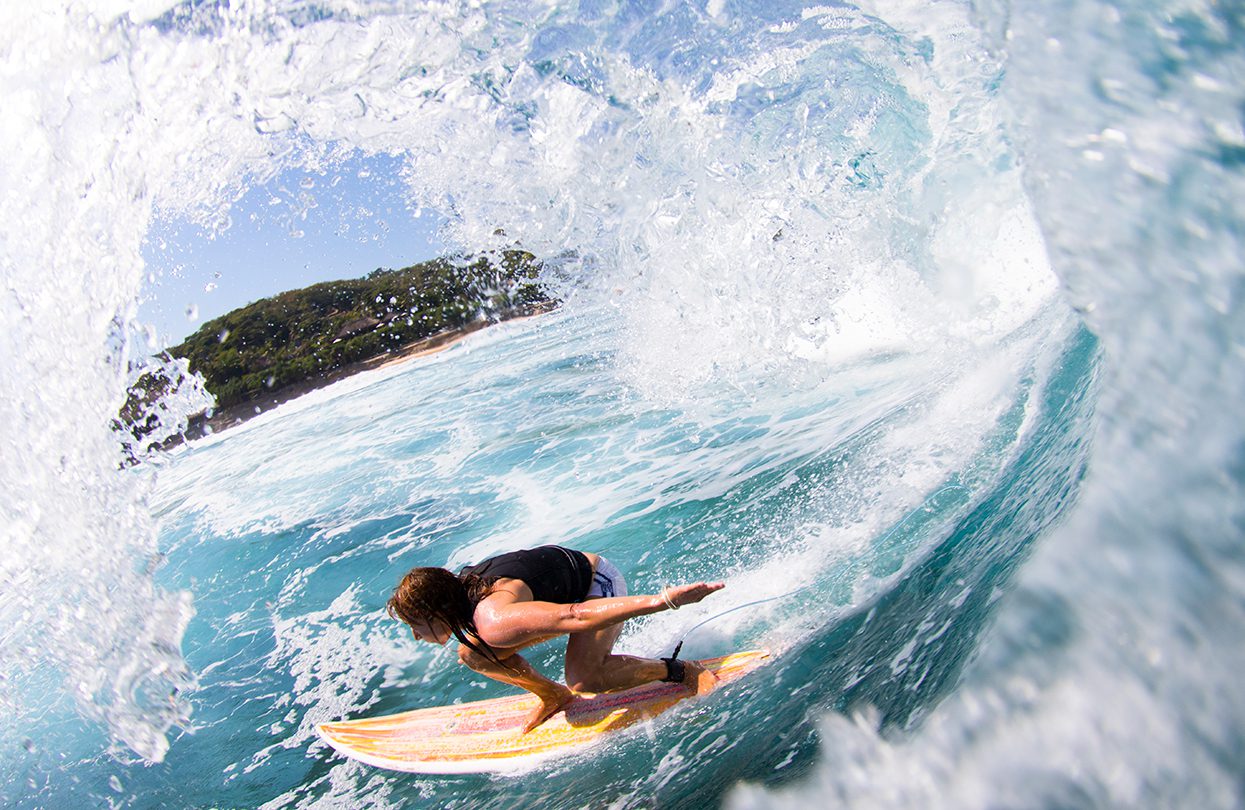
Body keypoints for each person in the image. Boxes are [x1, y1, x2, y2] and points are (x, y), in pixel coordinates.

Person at [387, 545, 725, 732]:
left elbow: (573, 616)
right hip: (562, 592)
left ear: (439, 611)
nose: (416, 636)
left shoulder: (492, 619)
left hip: (596, 583)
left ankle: (682, 671)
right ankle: (552, 696)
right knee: (473, 653)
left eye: (416, 624)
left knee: (586, 679)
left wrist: (662, 601)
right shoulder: (463, 593)